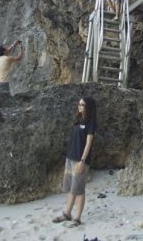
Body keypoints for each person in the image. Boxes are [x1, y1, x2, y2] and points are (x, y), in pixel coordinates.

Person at [53, 96, 97, 226]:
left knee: (79, 189)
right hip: (70, 157)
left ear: (88, 107)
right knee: (72, 188)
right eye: (79, 104)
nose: (79, 106)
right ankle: (67, 213)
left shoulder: (91, 123)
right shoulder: (77, 119)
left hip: (80, 160)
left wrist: (82, 161)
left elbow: (89, 143)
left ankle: (77, 218)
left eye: (82, 105)